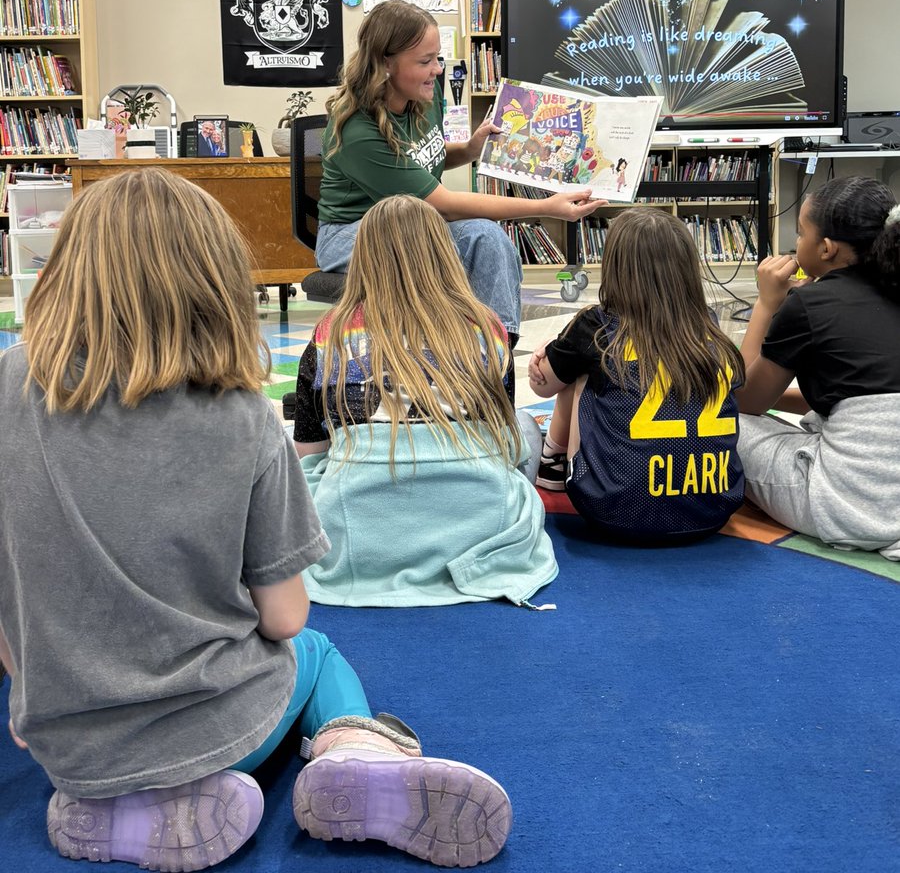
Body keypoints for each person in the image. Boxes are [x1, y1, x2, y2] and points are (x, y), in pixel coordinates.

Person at [0, 168, 512, 871]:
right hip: (221, 724)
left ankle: (107, 809)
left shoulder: (7, 388)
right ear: (215, 279)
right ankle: (354, 752)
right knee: (318, 652)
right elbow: (285, 619)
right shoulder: (240, 415)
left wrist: (26, 678)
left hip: (64, 735)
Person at [294, 194, 558, 606]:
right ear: (445, 251)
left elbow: (310, 450)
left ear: (364, 258)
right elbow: (503, 435)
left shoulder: (331, 331)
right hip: (481, 515)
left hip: (359, 530)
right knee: (524, 426)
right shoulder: (488, 327)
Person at [316, 0, 601, 341]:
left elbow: (420, 160)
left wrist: (468, 150)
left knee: (490, 240)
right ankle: (440, 356)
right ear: (385, 64)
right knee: (434, 247)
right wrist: (545, 207)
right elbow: (445, 205)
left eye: (438, 58)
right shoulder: (356, 130)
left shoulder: (425, 91)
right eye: (425, 61)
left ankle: (497, 354)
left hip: (418, 220)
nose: (437, 69)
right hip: (351, 233)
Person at [528, 208, 745, 543]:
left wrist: (549, 351)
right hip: (712, 508)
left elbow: (542, 386)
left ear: (614, 267)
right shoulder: (708, 325)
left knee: (583, 369)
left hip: (611, 509)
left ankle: (552, 463)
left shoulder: (597, 326)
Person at [735, 176, 900, 558]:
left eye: (800, 234)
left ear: (825, 248)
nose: (796, 244)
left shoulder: (810, 306)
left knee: (722, 420)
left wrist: (766, 304)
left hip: (851, 509)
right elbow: (857, 396)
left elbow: (744, 400)